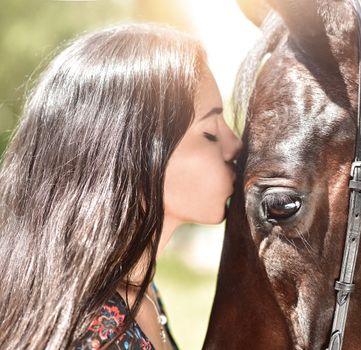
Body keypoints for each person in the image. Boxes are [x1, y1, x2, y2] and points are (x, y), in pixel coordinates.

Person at [0, 23, 242, 349]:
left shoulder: (138, 289)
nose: (235, 145)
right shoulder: (91, 333)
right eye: (210, 132)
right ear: (132, 156)